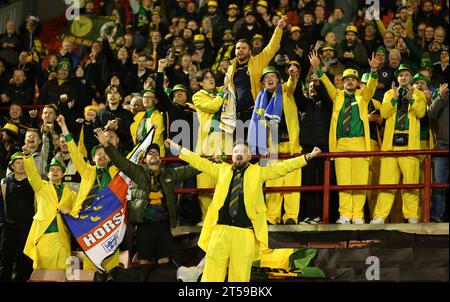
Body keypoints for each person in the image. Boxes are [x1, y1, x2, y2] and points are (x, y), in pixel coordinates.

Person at [165, 138, 321, 282]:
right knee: (211, 275)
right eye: (236, 152)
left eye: (244, 152)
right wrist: (177, 148)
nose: (239, 154)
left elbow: (284, 167)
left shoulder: (258, 172)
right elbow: (198, 162)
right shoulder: (221, 170)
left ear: (249, 157)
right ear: (232, 156)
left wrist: (307, 157)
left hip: (244, 234)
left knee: (239, 278)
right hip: (220, 232)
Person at [95, 129, 199, 264]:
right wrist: (107, 146)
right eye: (150, 153)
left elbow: (193, 169)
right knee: (143, 261)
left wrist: (212, 161)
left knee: (164, 261)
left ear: (160, 159)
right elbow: (120, 161)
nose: (153, 155)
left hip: (164, 225)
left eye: (156, 153)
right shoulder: (138, 172)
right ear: (145, 158)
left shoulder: (169, 174)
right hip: (144, 226)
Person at [309, 50, 380, 224]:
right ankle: (345, 214)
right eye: (346, 79)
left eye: (353, 80)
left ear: (357, 83)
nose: (349, 82)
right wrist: (317, 68)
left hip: (359, 143)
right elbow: (325, 82)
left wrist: (373, 72)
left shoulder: (363, 97)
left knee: (360, 181)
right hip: (340, 143)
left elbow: (371, 86)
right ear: (342, 82)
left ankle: (358, 215)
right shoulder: (337, 95)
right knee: (343, 181)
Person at [57, 114, 119, 272]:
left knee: (112, 266)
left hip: (110, 222)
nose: (102, 156)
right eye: (98, 154)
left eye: (105, 153)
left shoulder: (116, 171)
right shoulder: (87, 171)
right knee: (91, 269)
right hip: (87, 223)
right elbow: (74, 152)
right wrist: (64, 127)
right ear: (93, 159)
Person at [371, 64, 426, 224]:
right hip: (390, 146)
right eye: (400, 75)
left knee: (411, 184)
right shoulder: (389, 93)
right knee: (386, 184)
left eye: (406, 75)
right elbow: (385, 113)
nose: (403, 77)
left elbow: (421, 112)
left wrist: (410, 98)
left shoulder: (419, 94)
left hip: (410, 146)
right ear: (397, 78)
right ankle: (380, 216)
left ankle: (411, 216)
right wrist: (395, 98)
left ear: (411, 78)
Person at [248, 64, 302, 225]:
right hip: (271, 147)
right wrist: (260, 147)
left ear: (279, 79)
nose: (270, 79)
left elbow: (292, 84)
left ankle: (291, 216)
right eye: (266, 77)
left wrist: (293, 76)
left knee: (292, 183)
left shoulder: (286, 90)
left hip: (291, 145)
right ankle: (272, 216)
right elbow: (255, 123)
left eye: (273, 76)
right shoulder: (261, 99)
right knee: (273, 183)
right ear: (263, 82)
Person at [23, 154, 75, 269]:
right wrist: (27, 157)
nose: (55, 171)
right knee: (43, 271)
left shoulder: (71, 194)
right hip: (44, 235)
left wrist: (69, 211)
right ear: (48, 174)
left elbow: (75, 213)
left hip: (62, 235)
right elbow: (32, 175)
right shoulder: (41, 187)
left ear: (63, 174)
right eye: (52, 170)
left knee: (62, 270)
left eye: (58, 169)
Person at [0, 152, 34, 281]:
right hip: (8, 228)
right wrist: (2, 222)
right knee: (5, 260)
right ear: (12, 166)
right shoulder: (4, 182)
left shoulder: (33, 183)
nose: (20, 165)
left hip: (27, 228)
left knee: (23, 262)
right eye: (17, 163)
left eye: (23, 163)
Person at [428, 83, 448, 222]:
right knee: (438, 184)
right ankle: (436, 217)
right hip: (443, 144)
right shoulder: (444, 94)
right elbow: (431, 113)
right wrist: (440, 96)